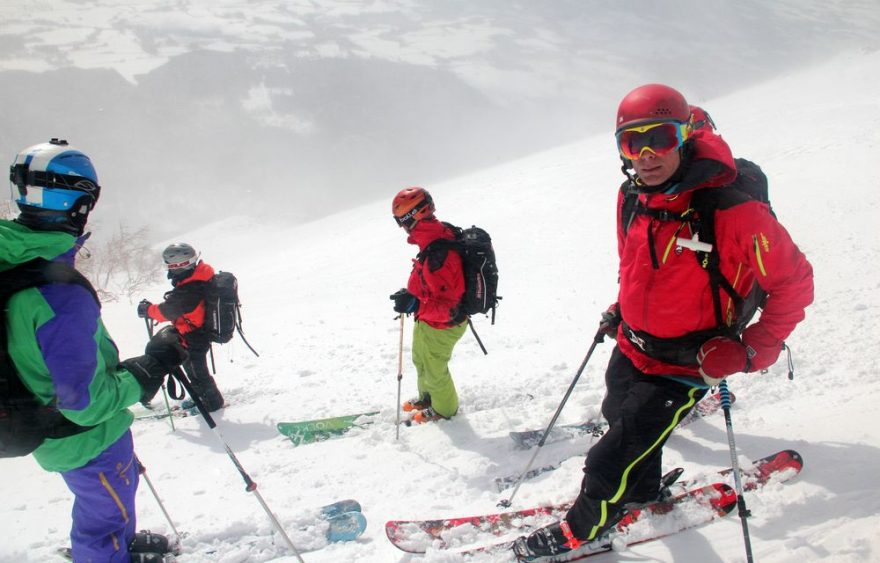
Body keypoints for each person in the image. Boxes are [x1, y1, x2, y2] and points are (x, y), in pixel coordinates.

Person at [516, 85, 814, 559]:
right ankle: (642, 492)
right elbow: (635, 264)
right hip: (633, 345)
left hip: (686, 362)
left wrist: (751, 348)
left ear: (684, 137)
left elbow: (795, 282)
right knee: (620, 421)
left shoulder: (733, 211)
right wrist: (622, 308)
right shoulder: (631, 196)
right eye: (633, 143)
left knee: (609, 458)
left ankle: (583, 529)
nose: (647, 154)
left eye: (660, 137)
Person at [4, 139, 187, 562]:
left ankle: (115, 547)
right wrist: (149, 368)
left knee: (108, 501)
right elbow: (86, 404)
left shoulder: (14, 262)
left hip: (41, 419)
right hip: (86, 437)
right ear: (80, 205)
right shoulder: (57, 293)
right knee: (104, 511)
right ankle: (106, 553)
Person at [390, 187, 467, 424]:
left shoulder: (440, 251)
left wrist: (415, 302)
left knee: (435, 368)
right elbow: (432, 284)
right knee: (421, 359)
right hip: (427, 319)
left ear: (411, 217)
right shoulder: (432, 238)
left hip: (443, 324)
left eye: (400, 221)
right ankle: (428, 397)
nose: (401, 227)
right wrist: (413, 295)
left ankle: (445, 409)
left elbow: (449, 308)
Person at [138, 243, 225, 412]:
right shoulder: (198, 277)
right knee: (192, 368)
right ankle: (201, 397)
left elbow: (167, 311)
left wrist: (147, 310)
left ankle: (212, 404)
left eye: (170, 266)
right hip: (195, 331)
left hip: (195, 335)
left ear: (180, 265)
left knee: (197, 371)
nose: (169, 270)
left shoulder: (191, 288)